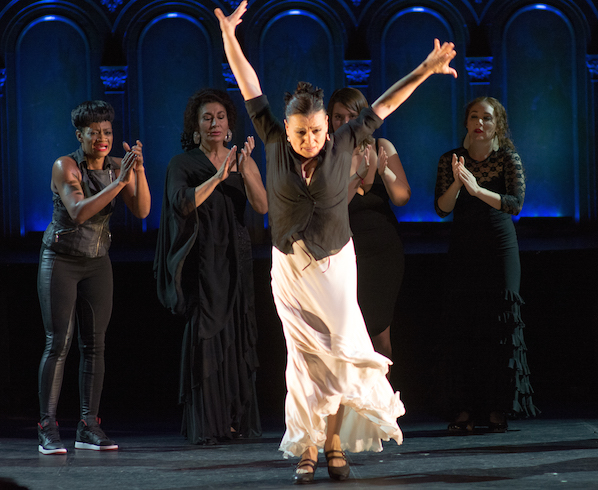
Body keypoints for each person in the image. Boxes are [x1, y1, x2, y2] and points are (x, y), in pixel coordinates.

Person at [216, 0, 456, 482]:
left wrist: (426, 69)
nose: (310, 139)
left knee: (341, 354)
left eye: (317, 131)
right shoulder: (271, 140)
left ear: (329, 126)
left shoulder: (345, 140)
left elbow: (386, 102)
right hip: (290, 267)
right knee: (303, 361)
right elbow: (248, 83)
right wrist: (228, 35)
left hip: (335, 265)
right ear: (287, 128)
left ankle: (334, 442)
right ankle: (310, 446)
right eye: (302, 132)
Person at [154, 88, 267, 445]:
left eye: (220, 117)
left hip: (236, 255)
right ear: (195, 126)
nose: (214, 123)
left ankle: (234, 419)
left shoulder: (241, 160)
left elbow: (262, 207)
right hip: (201, 260)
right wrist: (218, 176)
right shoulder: (182, 163)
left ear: (229, 125)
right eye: (207, 118)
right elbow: (182, 204)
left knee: (236, 332)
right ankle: (208, 422)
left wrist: (245, 169)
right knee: (206, 334)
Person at [37, 100, 151, 454]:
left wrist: (139, 171)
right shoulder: (65, 166)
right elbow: (79, 212)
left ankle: (89, 425)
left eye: (107, 132)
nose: (102, 138)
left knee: (95, 345)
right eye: (94, 132)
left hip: (97, 261)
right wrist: (119, 182)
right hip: (61, 260)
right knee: (59, 344)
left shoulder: (119, 166)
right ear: (80, 135)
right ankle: (47, 427)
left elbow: (143, 210)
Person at [434, 96, 536, 433]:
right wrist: (458, 183)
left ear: (498, 125)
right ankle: (464, 408)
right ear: (466, 123)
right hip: (464, 246)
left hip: (499, 245)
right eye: (474, 117)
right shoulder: (450, 159)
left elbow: (514, 203)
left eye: (487, 118)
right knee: (465, 326)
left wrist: (477, 190)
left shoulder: (507, 157)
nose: (480, 122)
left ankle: (497, 408)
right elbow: (441, 208)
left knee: (499, 325)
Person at [327, 87, 410, 364]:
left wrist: (383, 170)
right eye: (338, 117)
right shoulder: (327, 153)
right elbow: (335, 205)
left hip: (384, 251)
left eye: (352, 116)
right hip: (345, 252)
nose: (345, 123)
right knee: (348, 335)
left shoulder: (381, 147)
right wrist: (358, 174)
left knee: (380, 336)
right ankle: (352, 405)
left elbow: (401, 197)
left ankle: (381, 403)